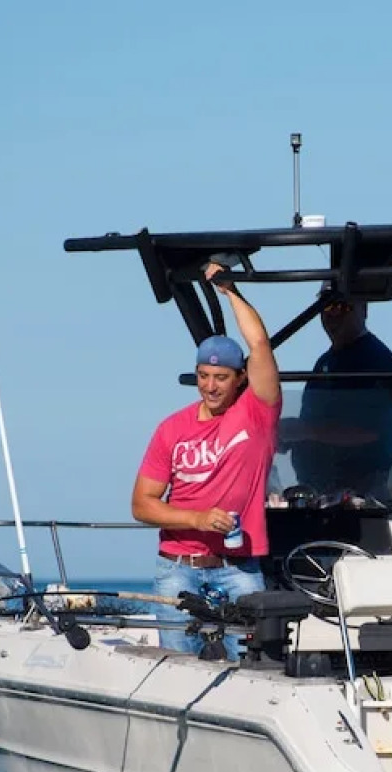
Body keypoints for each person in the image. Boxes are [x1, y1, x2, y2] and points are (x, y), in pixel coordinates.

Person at [132, 264, 280, 657]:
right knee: (178, 667)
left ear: (240, 378)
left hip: (239, 568)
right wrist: (196, 519)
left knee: (252, 664)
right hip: (177, 568)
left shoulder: (257, 412)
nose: (210, 386)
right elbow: (142, 505)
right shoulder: (171, 428)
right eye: (203, 376)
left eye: (221, 377)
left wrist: (230, 291)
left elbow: (260, 345)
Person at [281, 290, 392, 496]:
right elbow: (311, 424)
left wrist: (304, 430)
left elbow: (369, 430)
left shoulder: (376, 361)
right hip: (322, 494)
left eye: (341, 307)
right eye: (326, 306)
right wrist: (286, 437)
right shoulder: (324, 362)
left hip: (367, 494)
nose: (332, 315)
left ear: (364, 309)